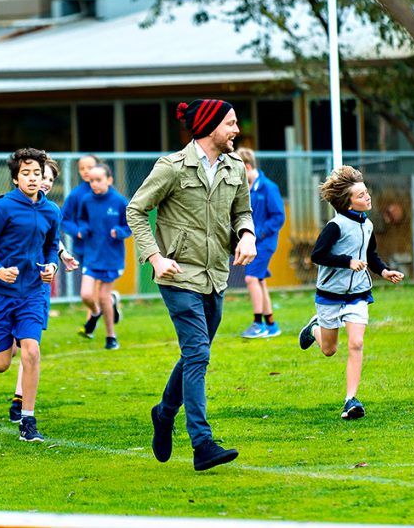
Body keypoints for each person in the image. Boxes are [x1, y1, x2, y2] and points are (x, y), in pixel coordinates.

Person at [128, 98, 256, 472]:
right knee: (199, 353)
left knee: (192, 355)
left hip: (216, 275)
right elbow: (136, 209)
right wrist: (154, 257)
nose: (236, 130)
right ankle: (202, 443)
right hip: (177, 275)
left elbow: (242, 212)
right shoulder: (171, 167)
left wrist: (247, 235)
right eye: (230, 123)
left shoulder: (235, 166)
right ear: (210, 126)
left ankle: (164, 412)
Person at [298, 165, 404, 420]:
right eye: (361, 195)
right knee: (329, 350)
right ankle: (313, 329)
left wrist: (384, 271)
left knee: (356, 343)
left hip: (357, 293)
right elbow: (318, 255)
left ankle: (350, 400)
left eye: (366, 193)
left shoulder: (367, 225)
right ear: (348, 203)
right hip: (330, 295)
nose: (367, 197)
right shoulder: (335, 226)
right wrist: (347, 261)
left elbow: (370, 256)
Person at [0, 147, 61, 443]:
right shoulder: (3, 208)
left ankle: (27, 420)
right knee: (0, 364)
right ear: (15, 179)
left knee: (32, 350)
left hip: (33, 292)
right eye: (26, 173)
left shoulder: (51, 210)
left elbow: (51, 245)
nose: (33, 178)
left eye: (37, 173)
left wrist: (51, 266)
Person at [8, 158, 79, 425]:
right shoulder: (12, 206)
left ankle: (20, 401)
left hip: (38, 285)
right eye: (42, 176)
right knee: (10, 351)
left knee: (30, 343)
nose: (45, 182)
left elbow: (50, 238)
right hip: (11, 284)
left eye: (50, 179)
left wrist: (62, 255)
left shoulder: (49, 209)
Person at [63, 154, 121, 336]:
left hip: (105, 251)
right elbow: (65, 220)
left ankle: (91, 326)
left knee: (96, 290)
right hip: (83, 249)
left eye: (90, 167)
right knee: (88, 292)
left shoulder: (110, 195)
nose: (86, 171)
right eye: (82, 168)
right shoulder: (77, 195)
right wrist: (78, 231)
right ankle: (106, 304)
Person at [76, 163, 132, 349]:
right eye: (91, 180)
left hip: (111, 258)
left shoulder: (120, 201)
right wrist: (82, 230)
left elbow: (129, 226)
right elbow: (82, 220)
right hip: (92, 256)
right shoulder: (86, 200)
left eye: (98, 180)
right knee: (85, 295)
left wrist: (119, 231)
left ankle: (111, 336)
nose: (94, 184)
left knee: (103, 296)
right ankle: (95, 313)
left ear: (109, 180)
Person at [235, 147, 286, 338]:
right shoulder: (245, 188)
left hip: (263, 243)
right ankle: (271, 324)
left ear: (247, 167)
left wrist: (258, 233)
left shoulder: (268, 187)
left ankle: (258, 324)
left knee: (251, 279)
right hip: (252, 243)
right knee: (260, 280)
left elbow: (278, 216)